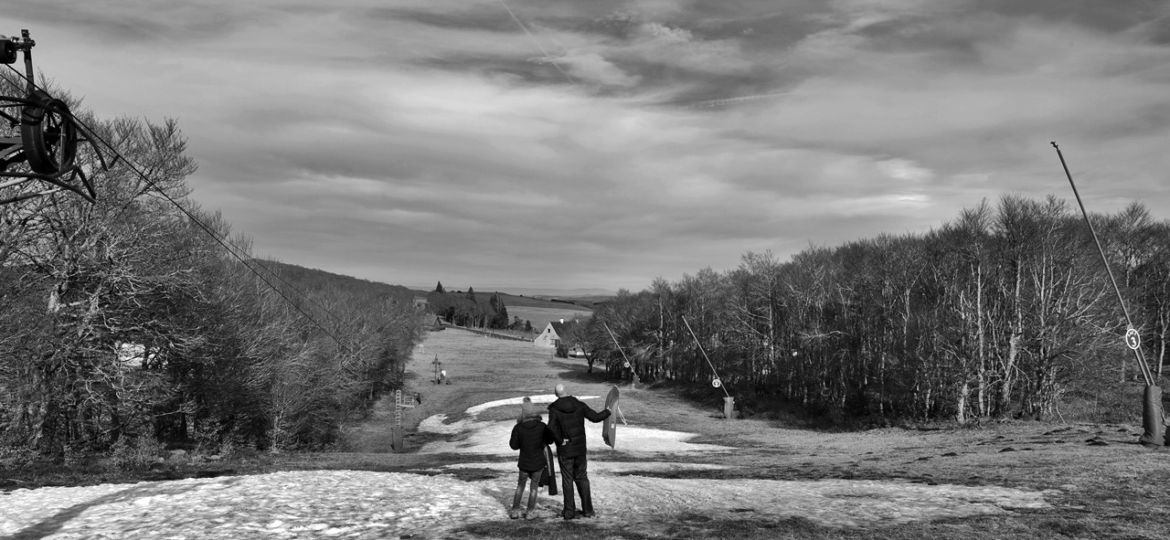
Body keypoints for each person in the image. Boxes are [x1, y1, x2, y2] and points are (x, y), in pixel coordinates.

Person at [546, 383, 610, 520]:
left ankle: (569, 512)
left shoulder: (554, 409)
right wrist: (608, 412)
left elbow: (551, 427)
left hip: (565, 450)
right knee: (582, 478)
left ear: (555, 393)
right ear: (566, 391)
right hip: (580, 449)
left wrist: (559, 440)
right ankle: (588, 510)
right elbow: (595, 417)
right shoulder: (579, 404)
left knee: (567, 479)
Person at [509, 398, 555, 519]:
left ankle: (515, 510)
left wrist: (522, 442)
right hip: (538, 463)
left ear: (523, 412)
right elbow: (550, 441)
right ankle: (530, 512)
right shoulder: (541, 426)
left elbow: (513, 446)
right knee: (533, 487)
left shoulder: (518, 428)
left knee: (520, 486)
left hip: (524, 463)